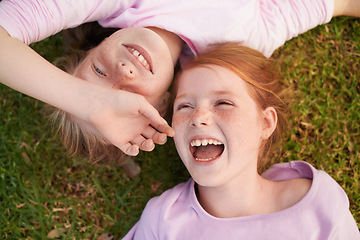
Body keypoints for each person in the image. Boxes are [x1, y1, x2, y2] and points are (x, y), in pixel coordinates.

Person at [0, 0, 359, 160]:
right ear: (159, 106)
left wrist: (88, 103)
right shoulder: (241, 43)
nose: (123, 72)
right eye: (125, 98)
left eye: (97, 72)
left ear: (97, 46)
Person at [122, 43, 360, 239]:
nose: (198, 118)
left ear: (265, 123)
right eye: (185, 106)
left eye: (223, 103)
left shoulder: (318, 204)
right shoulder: (163, 220)